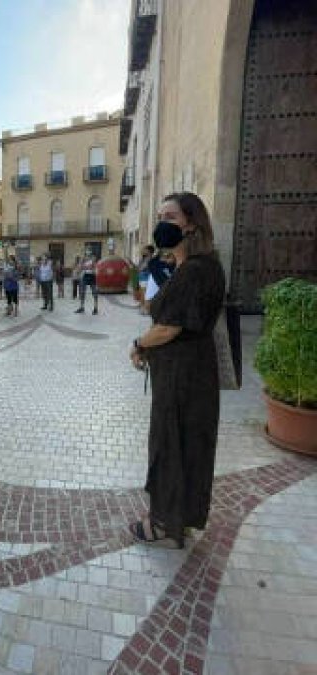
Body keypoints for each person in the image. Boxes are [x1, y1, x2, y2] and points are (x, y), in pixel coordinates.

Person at [128, 192, 226, 549]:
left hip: (183, 378)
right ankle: (179, 519)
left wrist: (139, 345)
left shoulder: (197, 270)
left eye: (170, 216)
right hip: (186, 373)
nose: (161, 224)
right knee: (186, 445)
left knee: (170, 445)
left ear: (192, 222)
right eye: (159, 216)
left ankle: (163, 524)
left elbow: (168, 328)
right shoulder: (189, 267)